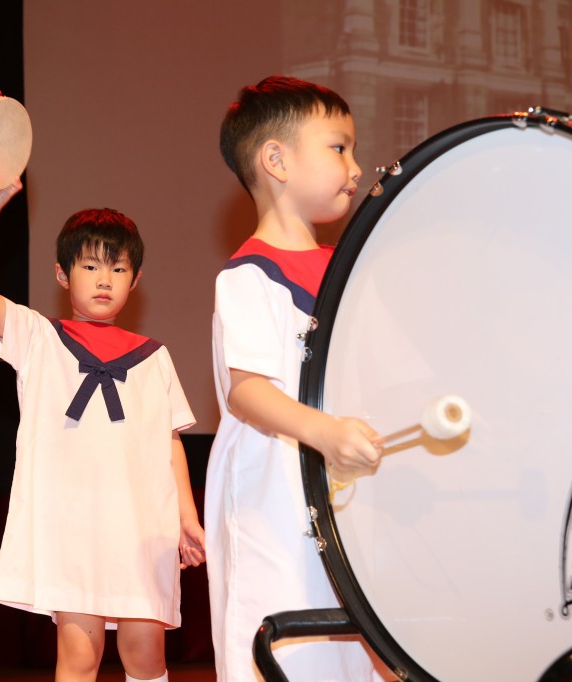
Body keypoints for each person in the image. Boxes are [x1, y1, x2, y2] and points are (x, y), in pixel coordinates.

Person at [0, 180, 205, 682]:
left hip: (141, 527)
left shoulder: (154, 357)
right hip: (73, 528)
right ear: (62, 274)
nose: (104, 280)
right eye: (91, 267)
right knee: (79, 658)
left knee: (146, 655)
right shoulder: (39, 338)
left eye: (118, 269)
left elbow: (169, 440)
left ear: (135, 280)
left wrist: (186, 515)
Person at [205, 76, 386, 680]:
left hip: (342, 488)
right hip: (273, 494)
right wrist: (325, 432)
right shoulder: (248, 276)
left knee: (352, 651)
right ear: (276, 160)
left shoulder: (347, 269)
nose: (355, 168)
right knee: (287, 638)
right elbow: (248, 391)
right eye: (338, 148)